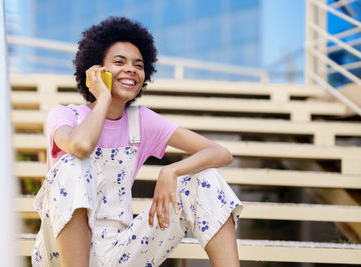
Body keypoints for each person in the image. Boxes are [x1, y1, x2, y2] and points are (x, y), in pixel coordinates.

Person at [31, 16, 243, 267]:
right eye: (119, 62)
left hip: (119, 251)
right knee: (74, 163)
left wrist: (172, 171)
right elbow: (81, 146)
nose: (131, 69)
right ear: (95, 70)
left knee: (204, 178)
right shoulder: (65, 115)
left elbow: (220, 152)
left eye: (138, 65)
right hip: (61, 253)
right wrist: (104, 99)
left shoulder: (140, 121)